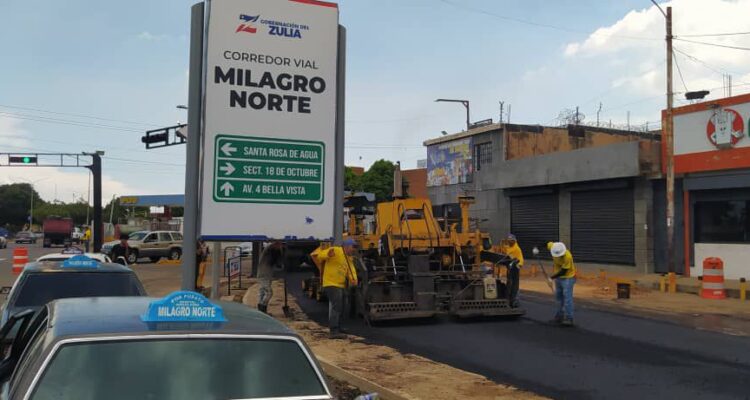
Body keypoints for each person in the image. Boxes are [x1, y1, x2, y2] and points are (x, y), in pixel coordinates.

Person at [316, 238, 358, 339]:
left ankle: (338, 327)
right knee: (337, 305)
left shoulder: (348, 257)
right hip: (331, 283)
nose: (354, 249)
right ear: (347, 246)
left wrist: (354, 280)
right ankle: (333, 331)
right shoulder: (336, 250)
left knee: (343, 306)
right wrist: (327, 254)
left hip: (340, 284)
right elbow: (319, 255)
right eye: (353, 247)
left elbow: (351, 269)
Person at [548, 241, 576, 326]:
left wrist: (551, 278)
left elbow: (563, 271)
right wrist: (536, 248)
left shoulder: (568, 256)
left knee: (567, 298)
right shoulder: (552, 247)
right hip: (558, 278)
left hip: (568, 277)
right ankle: (559, 316)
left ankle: (569, 318)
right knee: (559, 297)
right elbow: (545, 243)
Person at [256, 241, 284, 314]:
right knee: (269, 293)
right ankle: (262, 307)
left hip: (264, 274)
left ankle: (261, 310)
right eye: (280, 244)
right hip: (264, 274)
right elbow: (277, 262)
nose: (281, 246)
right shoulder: (270, 249)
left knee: (262, 291)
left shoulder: (270, 249)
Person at [500, 234, 524, 307]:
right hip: (510, 267)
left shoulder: (516, 248)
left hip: (515, 267)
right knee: (509, 283)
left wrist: (519, 265)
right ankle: (509, 298)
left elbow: (521, 258)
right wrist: (502, 243)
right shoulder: (509, 247)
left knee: (514, 284)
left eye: (511, 241)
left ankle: (513, 299)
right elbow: (504, 249)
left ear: (514, 241)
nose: (510, 242)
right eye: (509, 241)